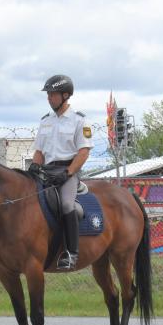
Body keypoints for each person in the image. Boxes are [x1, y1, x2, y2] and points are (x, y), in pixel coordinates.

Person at [30, 74, 92, 270]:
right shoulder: (45, 121)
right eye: (48, 95)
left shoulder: (79, 120)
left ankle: (71, 253)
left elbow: (83, 152)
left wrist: (67, 173)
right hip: (46, 171)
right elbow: (39, 152)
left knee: (66, 204)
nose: (49, 98)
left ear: (66, 95)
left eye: (53, 95)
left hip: (67, 172)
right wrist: (33, 167)